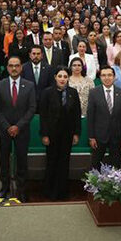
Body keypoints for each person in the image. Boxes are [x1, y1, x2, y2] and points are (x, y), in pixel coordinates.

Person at [0, 56, 36, 202]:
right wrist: (8, 126)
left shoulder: (29, 85)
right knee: (4, 159)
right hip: (4, 130)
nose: (14, 68)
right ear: (7, 67)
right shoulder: (0, 85)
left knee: (22, 160)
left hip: (22, 130)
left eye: (17, 65)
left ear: (21, 68)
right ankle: (4, 187)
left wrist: (18, 126)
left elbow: (32, 108)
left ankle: (21, 189)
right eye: (11, 65)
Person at [39, 67, 81, 200]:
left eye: (65, 77)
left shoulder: (73, 93)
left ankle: (62, 192)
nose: (62, 79)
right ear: (55, 77)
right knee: (52, 162)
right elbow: (43, 116)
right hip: (51, 135)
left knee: (64, 162)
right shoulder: (47, 93)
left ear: (68, 78)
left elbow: (77, 114)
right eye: (60, 76)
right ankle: (49, 192)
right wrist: (44, 134)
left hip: (67, 134)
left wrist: (76, 133)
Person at [87, 67, 121, 169]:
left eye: (109, 75)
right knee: (96, 165)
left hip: (116, 136)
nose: (107, 78)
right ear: (100, 77)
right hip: (98, 136)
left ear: (114, 77)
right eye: (103, 75)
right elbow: (91, 116)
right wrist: (91, 137)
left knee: (115, 166)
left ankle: (114, 185)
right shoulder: (93, 93)